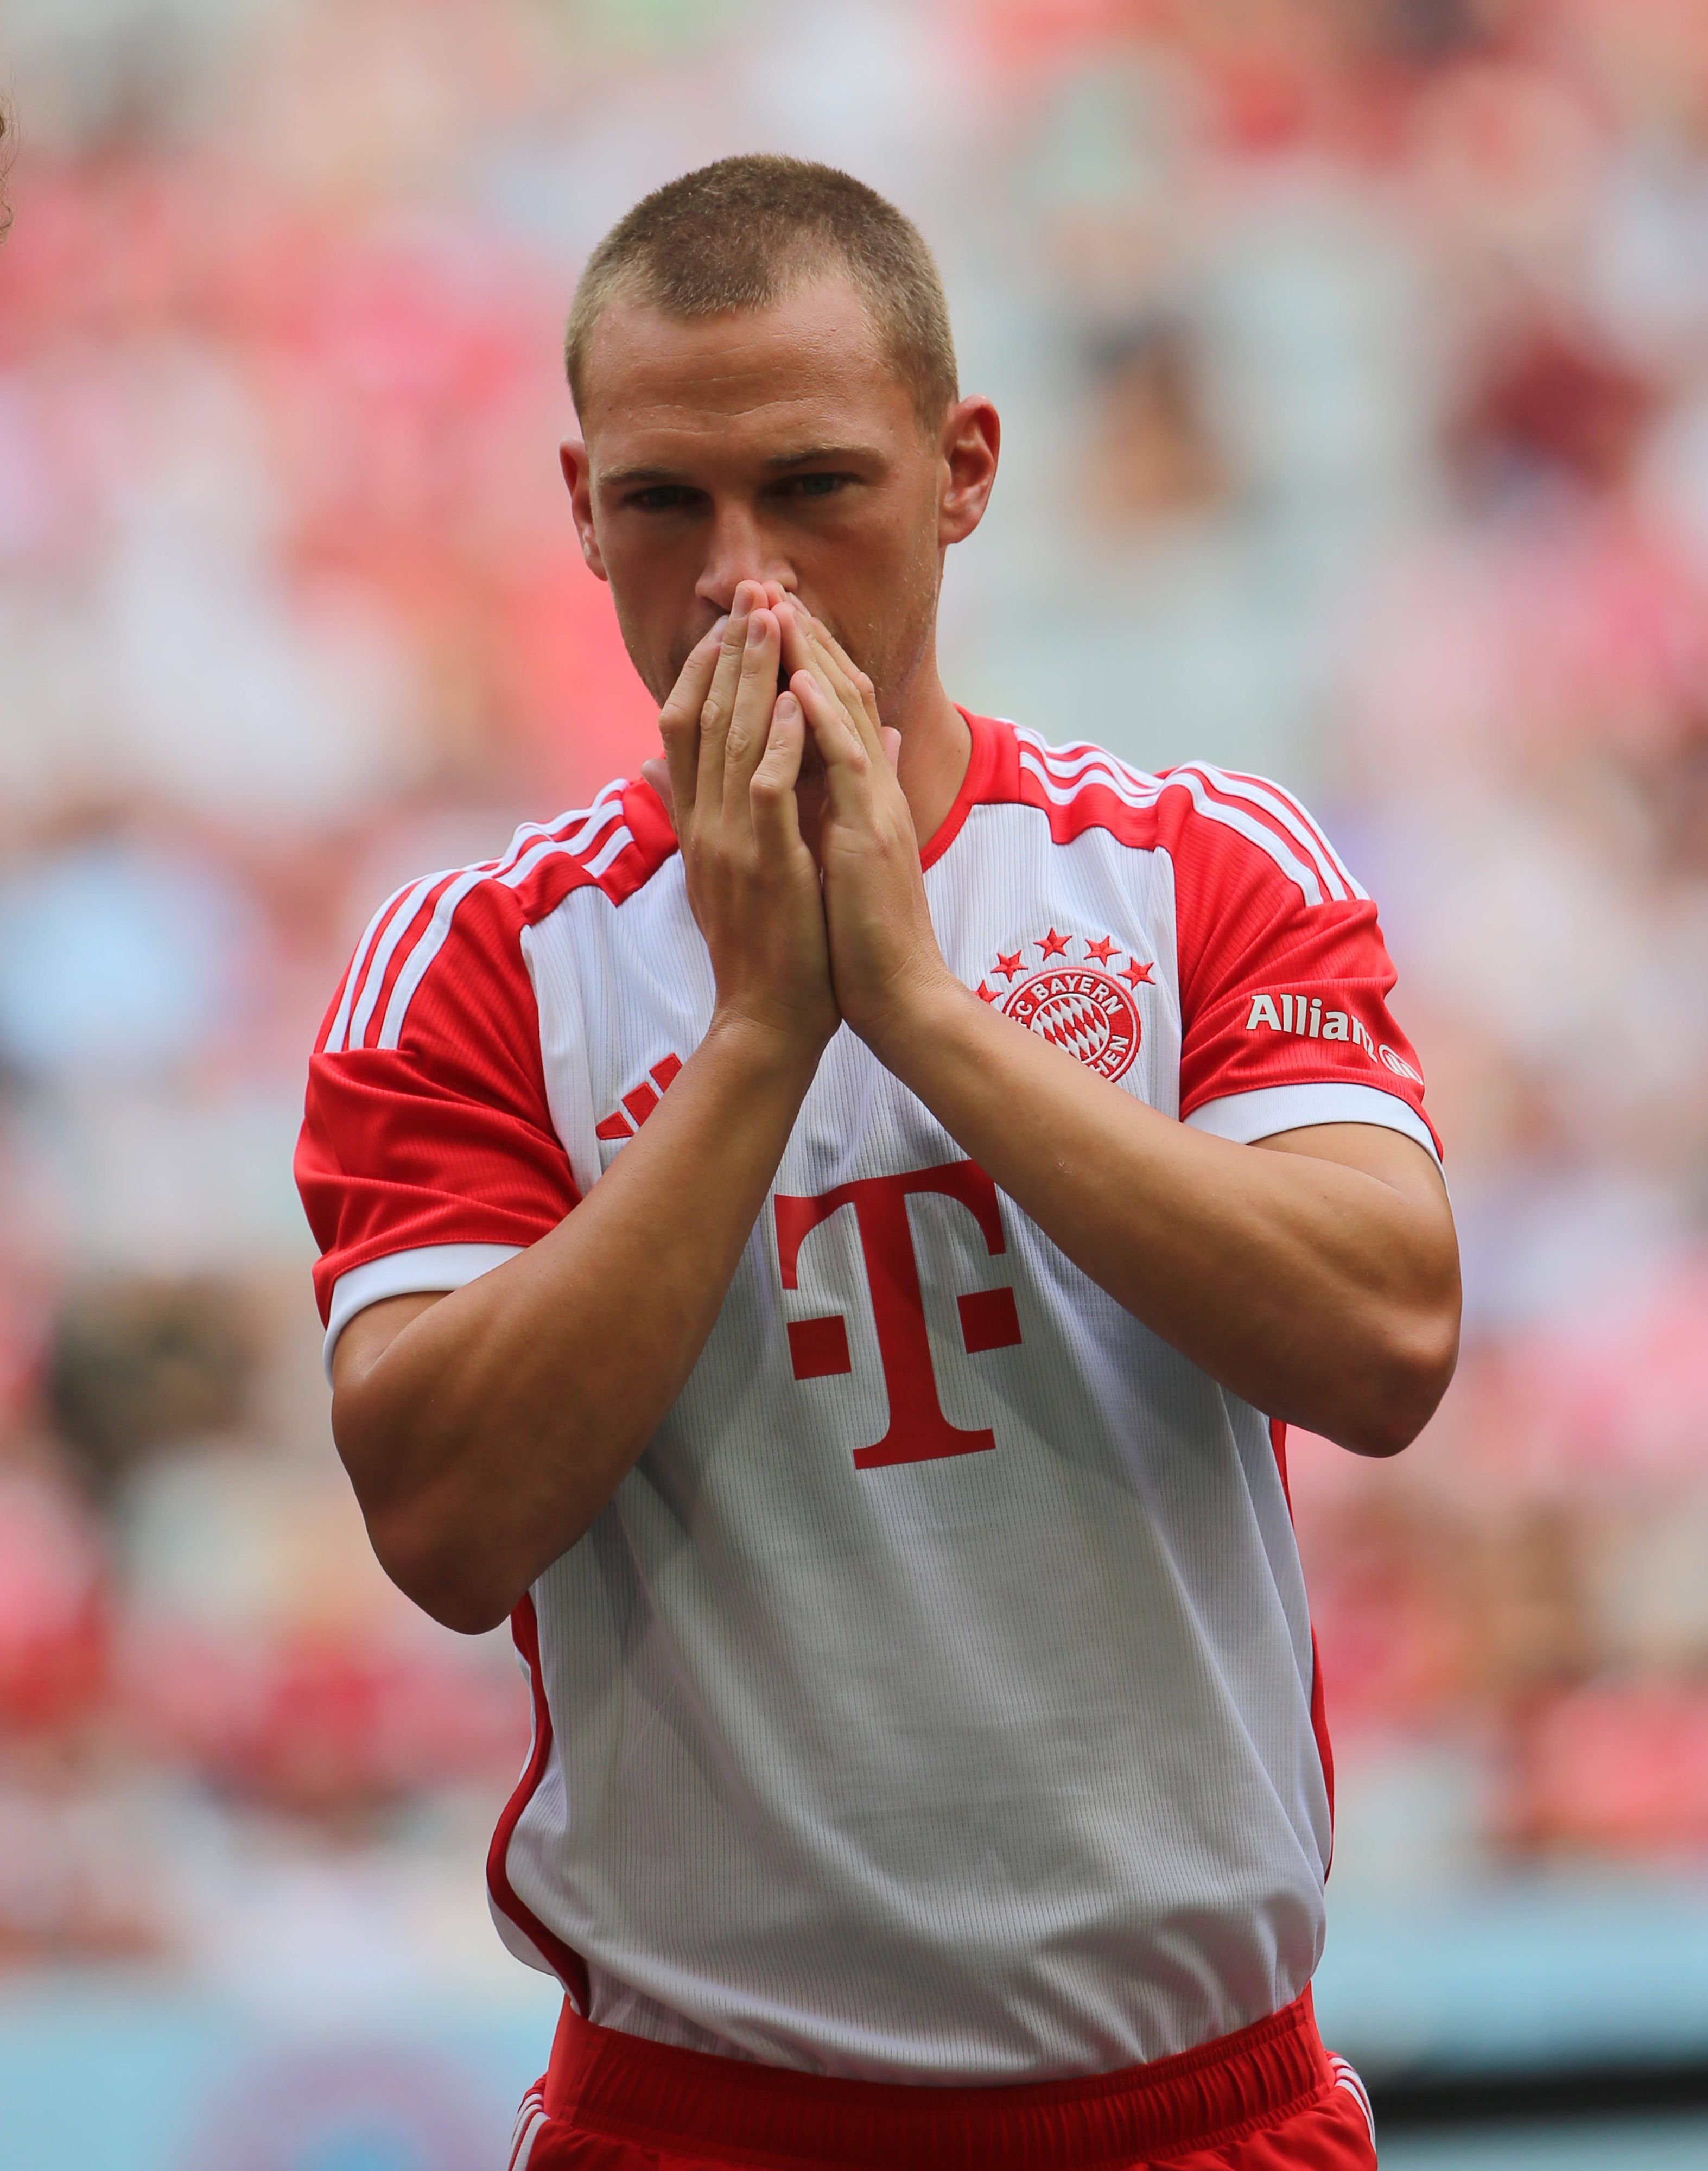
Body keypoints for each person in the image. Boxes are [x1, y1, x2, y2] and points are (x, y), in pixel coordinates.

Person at [296, 155, 1457, 2171]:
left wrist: (913, 1008)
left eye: (815, 484)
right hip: (701, 2120)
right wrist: (765, 1036)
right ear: (578, 509)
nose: (743, 574)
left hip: (1199, 2108)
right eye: (663, 500)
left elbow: (1384, 1340)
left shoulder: (1192, 872)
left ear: (963, 468)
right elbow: (445, 1522)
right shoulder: (477, 965)